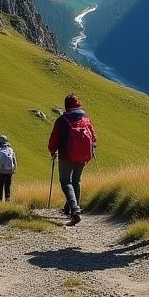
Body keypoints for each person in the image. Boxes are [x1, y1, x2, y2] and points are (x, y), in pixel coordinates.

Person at [48, 93, 97, 226]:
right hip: (83, 156)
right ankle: (70, 208)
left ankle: (75, 211)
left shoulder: (62, 120)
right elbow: (93, 138)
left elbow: (54, 139)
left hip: (66, 155)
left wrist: (52, 150)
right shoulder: (86, 119)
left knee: (65, 181)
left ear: (66, 105)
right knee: (77, 180)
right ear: (78, 104)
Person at [0, 133, 17, 201]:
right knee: (8, 187)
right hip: (9, 172)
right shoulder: (11, 150)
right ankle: (7, 199)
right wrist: (13, 170)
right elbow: (15, 162)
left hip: (0, 172)